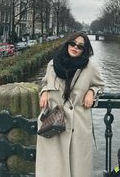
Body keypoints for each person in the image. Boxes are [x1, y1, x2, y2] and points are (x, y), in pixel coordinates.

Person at [36, 32, 105, 177]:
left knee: (77, 169)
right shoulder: (53, 64)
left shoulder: (89, 67)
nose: (75, 48)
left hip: (77, 125)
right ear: (67, 44)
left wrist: (91, 91)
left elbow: (100, 85)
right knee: (53, 169)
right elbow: (44, 82)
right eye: (72, 44)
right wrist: (43, 92)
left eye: (80, 46)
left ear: (84, 50)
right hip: (53, 123)